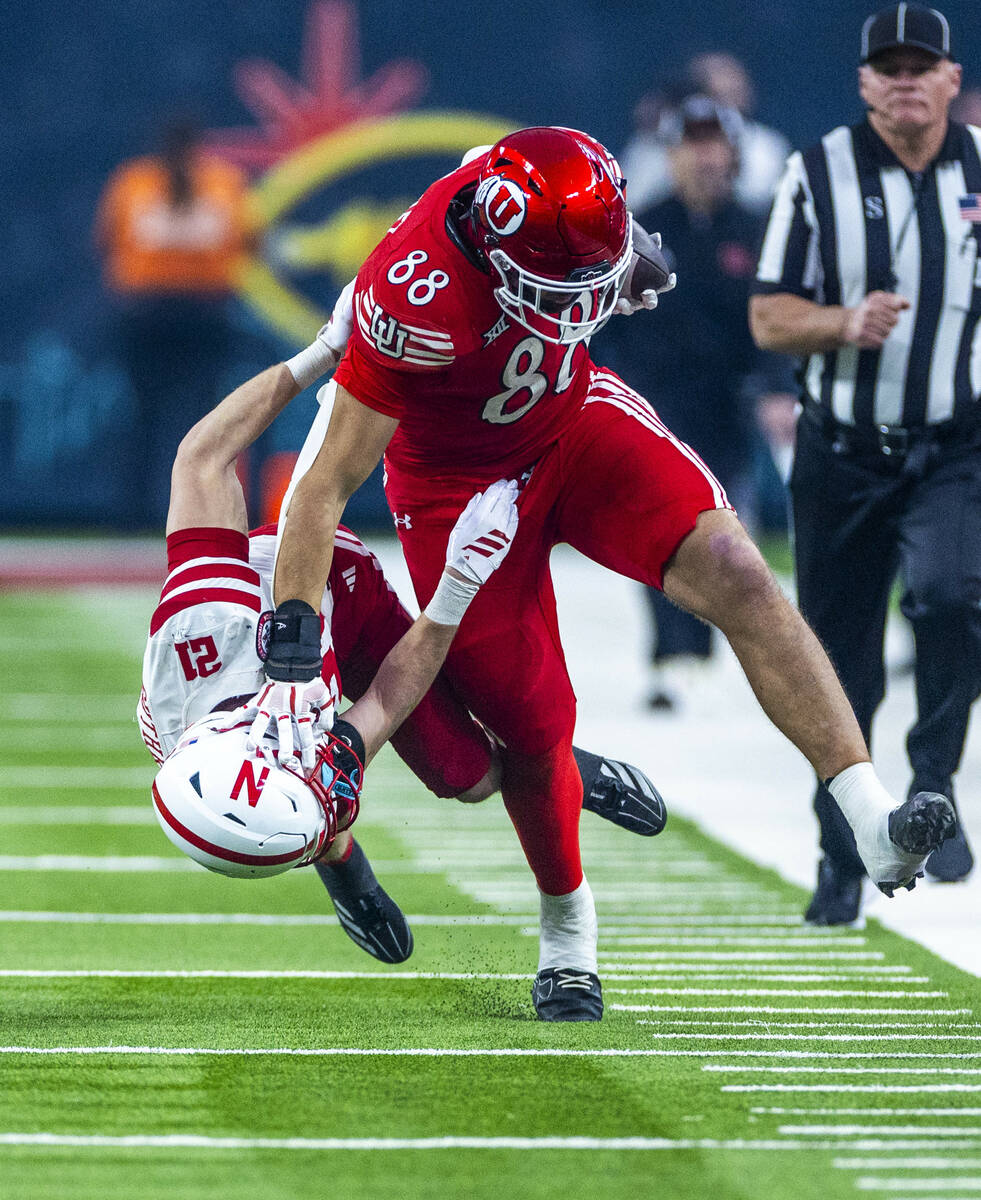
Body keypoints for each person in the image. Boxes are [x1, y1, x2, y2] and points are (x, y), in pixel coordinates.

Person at [260, 125, 954, 1021]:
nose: (579, 305)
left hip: (570, 424)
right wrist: (288, 658)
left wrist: (619, 266)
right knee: (526, 720)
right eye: (559, 289)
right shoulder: (411, 295)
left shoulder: (562, 194)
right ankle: (566, 931)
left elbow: (596, 257)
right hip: (452, 486)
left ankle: (869, 822)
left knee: (736, 568)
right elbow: (321, 486)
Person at [138, 287, 667, 965]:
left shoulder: (200, 629)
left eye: (291, 766)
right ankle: (344, 867)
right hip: (308, 697)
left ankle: (556, 769)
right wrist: (457, 585)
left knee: (474, 751)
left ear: (214, 741)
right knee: (466, 776)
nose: (301, 756)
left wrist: (320, 355)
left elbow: (201, 458)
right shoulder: (295, 778)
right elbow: (384, 699)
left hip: (324, 587)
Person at [751, 3, 977, 925]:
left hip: (954, 445)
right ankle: (840, 852)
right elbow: (768, 316)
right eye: (887, 67)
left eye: (921, 65)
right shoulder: (817, 173)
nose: (905, 80)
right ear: (863, 84)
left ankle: (934, 783)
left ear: (951, 79)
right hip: (840, 450)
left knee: (955, 598)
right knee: (836, 666)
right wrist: (843, 322)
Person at [598, 94, 796, 710]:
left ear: (734, 154)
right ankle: (670, 650)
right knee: (653, 524)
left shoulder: (759, 230)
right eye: (694, 144)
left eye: (717, 144)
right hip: (653, 405)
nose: (706, 157)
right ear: (672, 154)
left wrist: (777, 387)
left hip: (728, 407)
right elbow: (608, 321)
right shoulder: (640, 229)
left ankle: (703, 642)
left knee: (721, 528)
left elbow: (775, 320)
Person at [95, 116, 253, 528]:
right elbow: (107, 240)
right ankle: (135, 515)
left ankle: (200, 516)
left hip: (201, 314)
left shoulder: (222, 183)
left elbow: (248, 241)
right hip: (151, 314)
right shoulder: (135, 182)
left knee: (204, 418)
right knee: (145, 413)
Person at [622, 55, 791, 216]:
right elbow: (630, 205)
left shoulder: (765, 147)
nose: (706, 158)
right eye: (695, 141)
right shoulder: (649, 151)